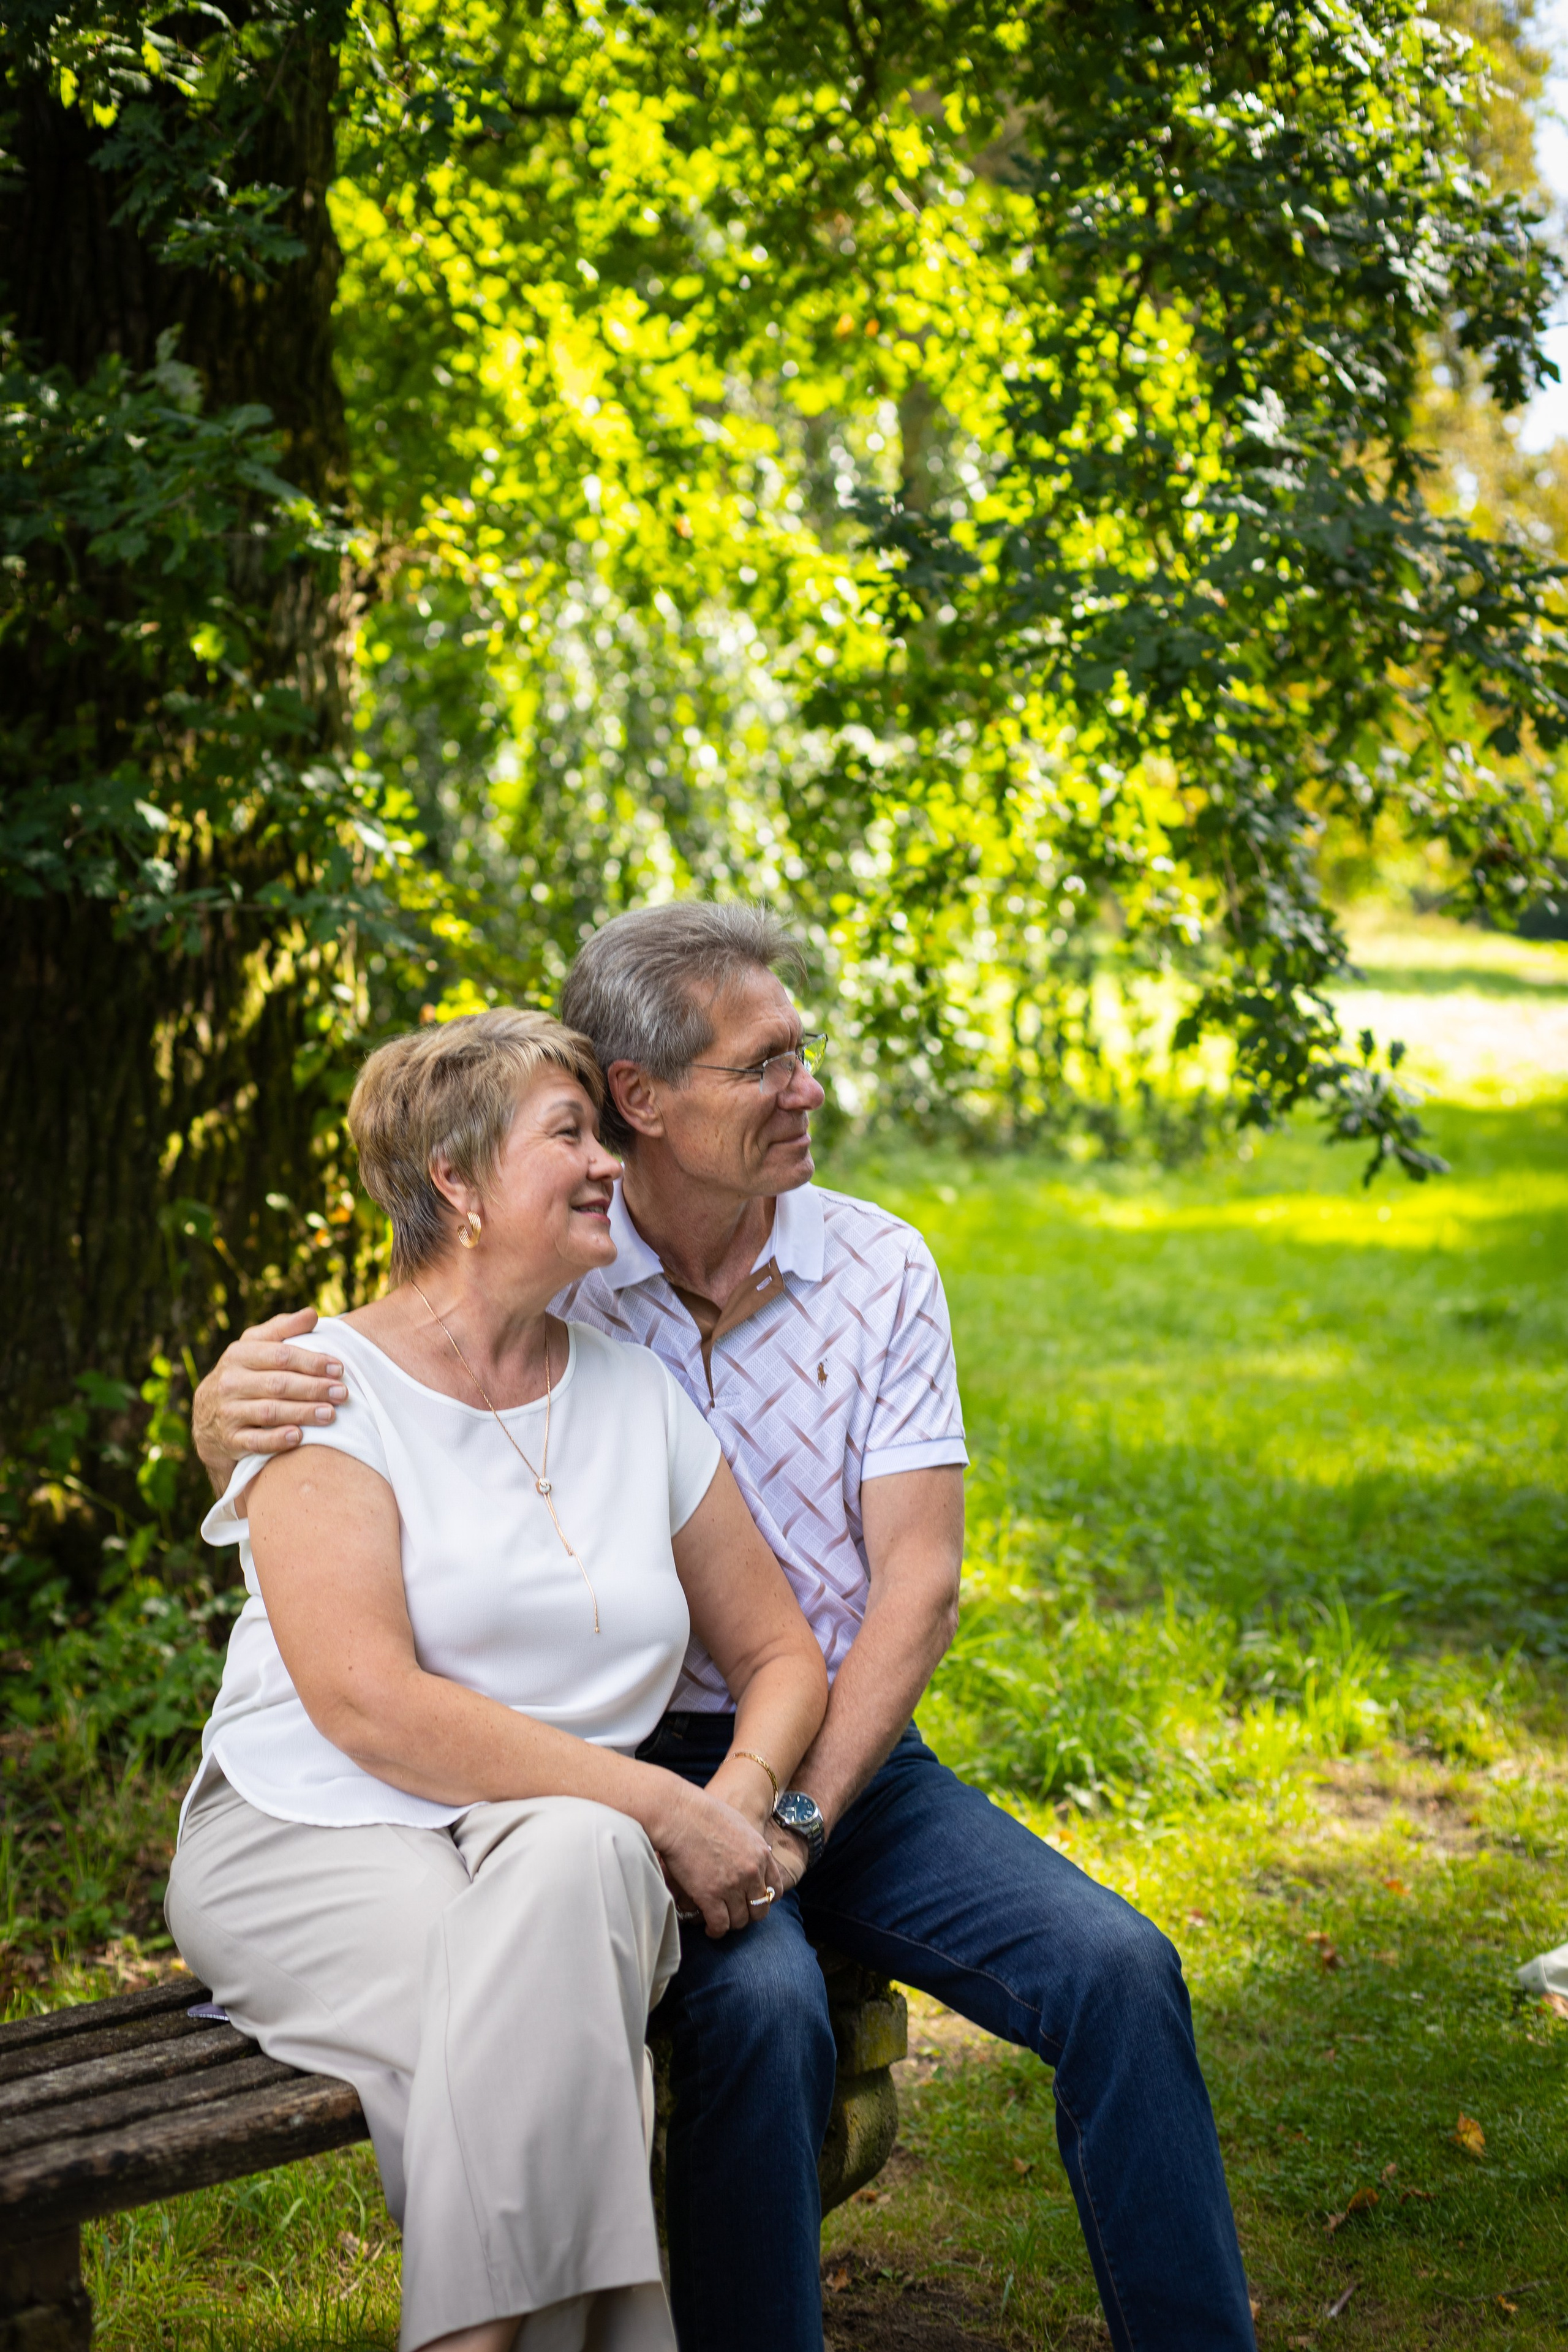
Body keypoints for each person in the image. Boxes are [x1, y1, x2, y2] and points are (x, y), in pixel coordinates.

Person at [194, 905, 1259, 2352]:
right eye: (765, 1065)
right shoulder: (571, 1263)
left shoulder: (875, 1272)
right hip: (609, 1765)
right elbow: (405, 1385)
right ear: (644, 1101)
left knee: (1118, 1969)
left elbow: (914, 1590)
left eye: (799, 1056)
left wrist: (791, 1814)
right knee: (761, 2022)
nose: (805, 1090)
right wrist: (226, 1424)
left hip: (825, 1740)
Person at [170, 1006, 827, 2352]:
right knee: (545, 2030)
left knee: (578, 1876)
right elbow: (368, 1705)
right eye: (569, 1135)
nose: (607, 1166)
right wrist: (665, 1807)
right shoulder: (319, 1390)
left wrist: (737, 1800)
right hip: (314, 1827)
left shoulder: (635, 1392)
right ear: (455, 1185)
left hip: (548, 1839)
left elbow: (778, 1654)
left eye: (602, 1132)